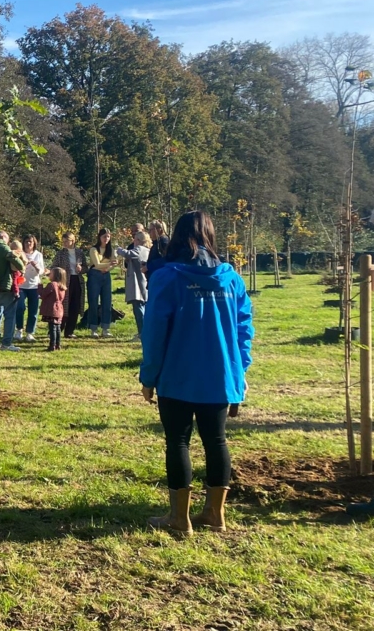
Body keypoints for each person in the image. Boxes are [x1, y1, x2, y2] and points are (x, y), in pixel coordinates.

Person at [140, 210, 253, 537]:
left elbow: (154, 332)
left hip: (177, 375)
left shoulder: (168, 278)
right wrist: (240, 371)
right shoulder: (231, 279)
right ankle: (214, 515)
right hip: (220, 377)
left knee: (178, 441)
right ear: (210, 237)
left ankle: (180, 519)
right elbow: (244, 329)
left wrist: (149, 376)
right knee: (216, 440)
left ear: (177, 236)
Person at [117, 231, 152, 341]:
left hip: (138, 284)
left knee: (139, 309)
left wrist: (117, 249)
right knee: (143, 308)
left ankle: (142, 333)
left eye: (136, 239)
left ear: (140, 241)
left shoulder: (140, 249)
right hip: (144, 282)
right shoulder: (148, 250)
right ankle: (144, 332)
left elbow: (128, 254)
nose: (134, 241)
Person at [50, 232, 86, 339]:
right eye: (63, 241)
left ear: (73, 241)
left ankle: (70, 331)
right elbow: (54, 267)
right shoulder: (60, 254)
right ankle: (58, 329)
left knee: (75, 306)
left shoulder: (79, 252)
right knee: (63, 306)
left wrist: (81, 269)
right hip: (64, 281)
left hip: (77, 281)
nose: (65, 243)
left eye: (67, 241)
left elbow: (86, 267)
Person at [85, 228, 118, 338]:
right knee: (93, 301)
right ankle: (93, 328)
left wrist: (107, 269)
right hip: (94, 275)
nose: (106, 239)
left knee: (107, 302)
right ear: (99, 237)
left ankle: (105, 328)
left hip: (106, 276)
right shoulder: (94, 249)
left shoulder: (111, 250)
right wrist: (109, 264)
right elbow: (97, 264)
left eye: (108, 237)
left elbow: (115, 264)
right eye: (104, 236)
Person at [16, 234, 44, 343]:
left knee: (33, 310)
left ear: (34, 243)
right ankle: (19, 330)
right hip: (21, 285)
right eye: (26, 241)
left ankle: (30, 333)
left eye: (30, 242)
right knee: (20, 307)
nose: (28, 244)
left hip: (34, 285)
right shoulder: (20, 253)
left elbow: (41, 271)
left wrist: (36, 266)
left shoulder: (38, 255)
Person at [40, 267, 67, 351]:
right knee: (58, 327)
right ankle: (58, 344)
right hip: (59, 309)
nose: (49, 275)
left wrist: (39, 285)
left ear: (55, 275)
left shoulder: (52, 284)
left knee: (52, 328)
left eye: (50, 273)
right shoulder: (62, 286)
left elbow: (43, 294)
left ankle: (52, 345)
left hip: (52, 309)